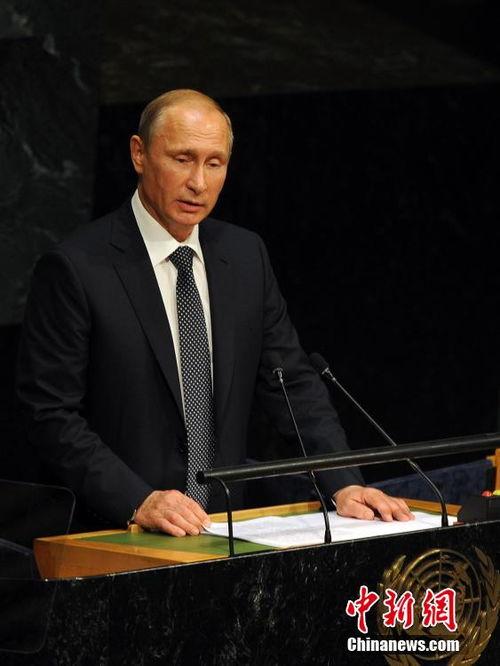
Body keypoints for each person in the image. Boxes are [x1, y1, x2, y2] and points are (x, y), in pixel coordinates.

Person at [16, 89, 413, 536]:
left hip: (221, 532)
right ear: (139, 154)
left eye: (214, 163)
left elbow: (291, 382)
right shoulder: (77, 267)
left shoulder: (244, 256)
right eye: (182, 159)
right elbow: (49, 414)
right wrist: (137, 500)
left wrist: (342, 480)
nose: (198, 183)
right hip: (113, 533)